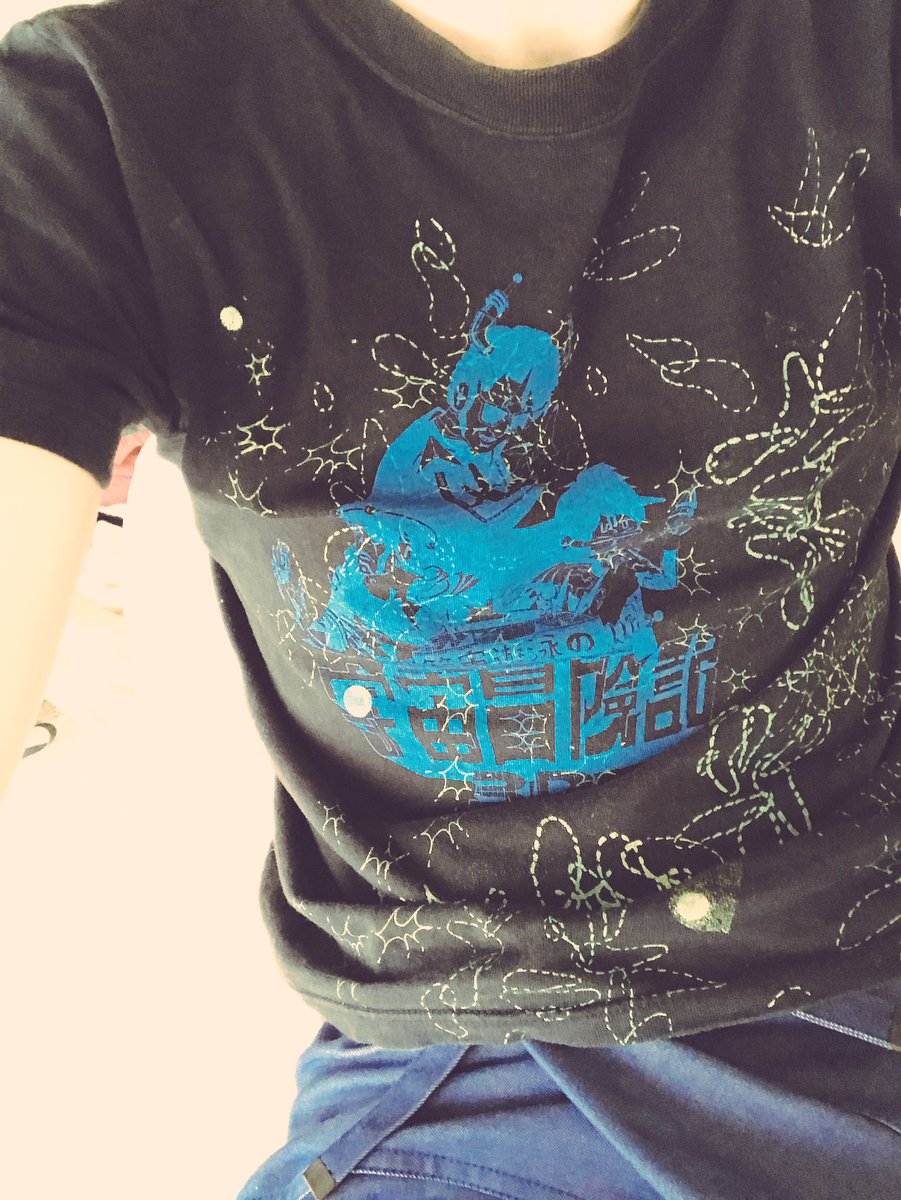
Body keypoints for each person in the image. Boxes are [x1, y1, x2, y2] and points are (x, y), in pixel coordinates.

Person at [1, 1, 899, 1196]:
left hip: (864, 984)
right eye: (494, 394)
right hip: (476, 1066)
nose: (506, 416)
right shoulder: (102, 123)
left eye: (519, 401)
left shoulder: (856, 54)